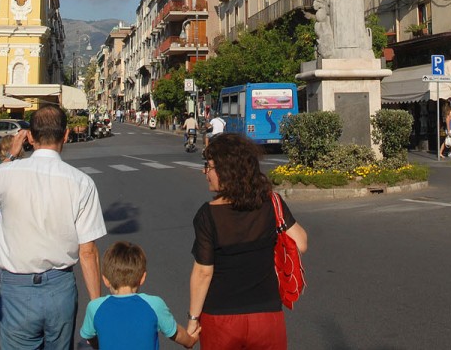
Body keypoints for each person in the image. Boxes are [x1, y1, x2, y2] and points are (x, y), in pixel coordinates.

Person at [0, 104, 106, 349]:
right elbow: (88, 251)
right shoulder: (82, 183)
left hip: (16, 288)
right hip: (60, 287)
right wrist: (95, 306)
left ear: (29, 137)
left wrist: (9, 156)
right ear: (65, 135)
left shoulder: (5, 174)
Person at [188, 132, 308, 350]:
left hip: (221, 318)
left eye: (210, 166)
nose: (205, 172)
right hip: (267, 315)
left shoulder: (208, 215)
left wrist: (193, 318)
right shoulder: (270, 202)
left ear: (226, 170)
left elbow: (203, 272)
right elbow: (300, 242)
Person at [81, 241, 198, 349]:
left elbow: (90, 336)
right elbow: (175, 333)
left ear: (105, 280)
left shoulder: (94, 307)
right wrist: (190, 341)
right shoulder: (155, 305)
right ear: (142, 278)